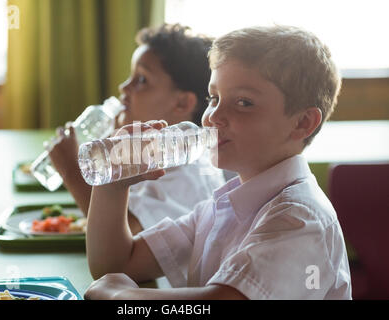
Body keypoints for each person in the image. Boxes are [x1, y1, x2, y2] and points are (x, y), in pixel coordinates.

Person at [84, 25, 352, 300]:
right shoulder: (220, 208)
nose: (213, 116)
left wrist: (120, 298)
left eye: (244, 102)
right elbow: (118, 262)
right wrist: (113, 183)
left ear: (302, 123)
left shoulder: (299, 219)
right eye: (214, 98)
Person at [48, 24, 225, 235]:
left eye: (141, 80)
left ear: (182, 104)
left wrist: (72, 171)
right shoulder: (151, 152)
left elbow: (127, 238)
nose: (124, 87)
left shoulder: (187, 173)